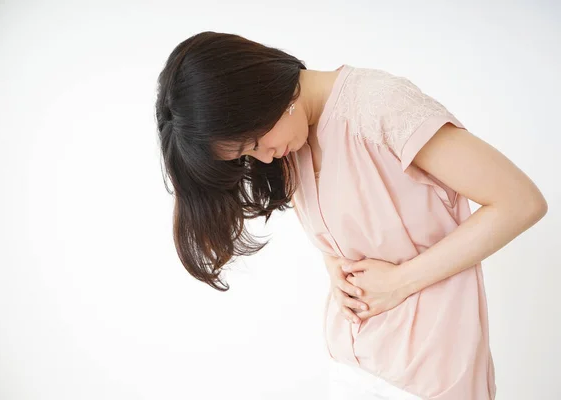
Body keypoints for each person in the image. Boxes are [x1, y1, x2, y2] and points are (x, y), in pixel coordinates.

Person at [154, 31, 548, 400]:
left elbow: (519, 201)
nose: (262, 156)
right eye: (246, 154)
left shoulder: (381, 106)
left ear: (262, 96)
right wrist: (333, 266)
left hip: (429, 372)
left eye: (255, 142)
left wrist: (400, 281)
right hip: (351, 364)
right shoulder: (295, 142)